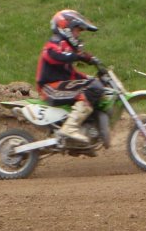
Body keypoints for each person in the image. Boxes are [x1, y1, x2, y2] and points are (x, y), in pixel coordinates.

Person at [36, 10, 103, 144]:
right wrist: (78, 56)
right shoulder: (55, 43)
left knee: (94, 85)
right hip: (49, 88)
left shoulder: (66, 47)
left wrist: (89, 77)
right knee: (91, 89)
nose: (78, 35)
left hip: (60, 86)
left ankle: (86, 127)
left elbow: (71, 74)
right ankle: (70, 128)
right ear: (65, 28)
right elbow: (52, 55)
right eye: (77, 31)